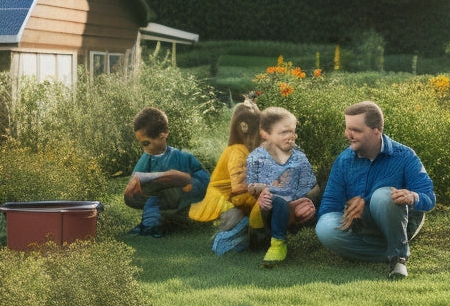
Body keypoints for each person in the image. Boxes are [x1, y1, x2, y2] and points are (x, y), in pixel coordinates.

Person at [315, 100, 435, 280]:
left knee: (384, 196)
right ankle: (392, 250)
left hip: (397, 220)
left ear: (376, 131)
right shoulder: (343, 160)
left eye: (356, 130)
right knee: (324, 227)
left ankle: (398, 258)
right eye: (347, 128)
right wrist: (346, 213)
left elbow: (429, 197)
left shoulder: (405, 155)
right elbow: (329, 205)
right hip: (362, 227)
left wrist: (412, 196)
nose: (348, 134)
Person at [189, 101, 266, 254]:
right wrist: (258, 202)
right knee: (249, 217)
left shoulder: (246, 151)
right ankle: (223, 243)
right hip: (226, 200)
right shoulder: (237, 151)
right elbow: (239, 189)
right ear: (244, 127)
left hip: (233, 198)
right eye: (260, 130)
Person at [246, 106, 317, 264]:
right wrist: (260, 190)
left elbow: (311, 187)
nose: (291, 136)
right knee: (277, 201)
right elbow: (251, 186)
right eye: (284, 132)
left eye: (293, 131)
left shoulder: (298, 156)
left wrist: (303, 201)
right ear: (265, 133)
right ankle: (278, 243)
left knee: (315, 203)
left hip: (294, 204)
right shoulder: (255, 158)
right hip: (267, 209)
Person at [124, 107, 210, 238]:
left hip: (185, 194)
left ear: (163, 134)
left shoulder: (180, 156)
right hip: (159, 199)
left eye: (147, 143)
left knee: (172, 179)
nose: (145, 149)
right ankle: (152, 224)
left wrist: (178, 179)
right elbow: (134, 182)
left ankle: (162, 222)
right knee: (151, 193)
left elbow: (202, 181)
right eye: (142, 144)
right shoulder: (147, 157)